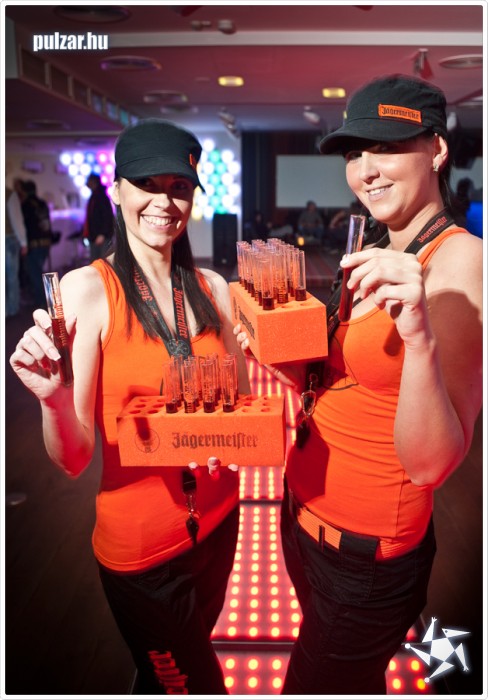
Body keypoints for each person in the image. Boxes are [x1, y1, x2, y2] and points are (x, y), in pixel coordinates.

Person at [234, 74, 482, 695]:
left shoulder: (460, 263)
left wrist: (419, 335)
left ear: (437, 149)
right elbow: (342, 381)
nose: (365, 170)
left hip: (364, 557)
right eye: (353, 153)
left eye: (386, 147)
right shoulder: (372, 245)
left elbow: (431, 465)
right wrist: (272, 350)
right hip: (303, 517)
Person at [9, 119, 250, 695]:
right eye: (147, 183)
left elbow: (238, 408)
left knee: (165, 679)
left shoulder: (214, 288)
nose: (164, 201)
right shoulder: (88, 291)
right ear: (118, 190)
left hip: (220, 522)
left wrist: (229, 431)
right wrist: (53, 397)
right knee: (195, 687)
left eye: (179, 187)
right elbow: (74, 460)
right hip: (144, 553)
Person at [21, 180, 53, 308]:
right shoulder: (42, 203)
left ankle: (42, 302)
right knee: (41, 273)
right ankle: (49, 300)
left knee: (35, 273)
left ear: (24, 191)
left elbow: (25, 226)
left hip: (33, 244)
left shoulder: (25, 205)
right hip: (45, 242)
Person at [5, 184, 28, 318]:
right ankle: (12, 309)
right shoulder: (8, 194)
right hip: (8, 239)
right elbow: (16, 220)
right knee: (11, 277)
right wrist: (23, 242)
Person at [83, 172, 115, 261]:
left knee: (102, 262)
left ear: (94, 182)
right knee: (96, 262)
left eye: (89, 181)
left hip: (101, 236)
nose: (87, 183)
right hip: (95, 236)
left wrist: (102, 234)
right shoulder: (94, 196)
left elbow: (107, 217)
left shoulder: (101, 197)